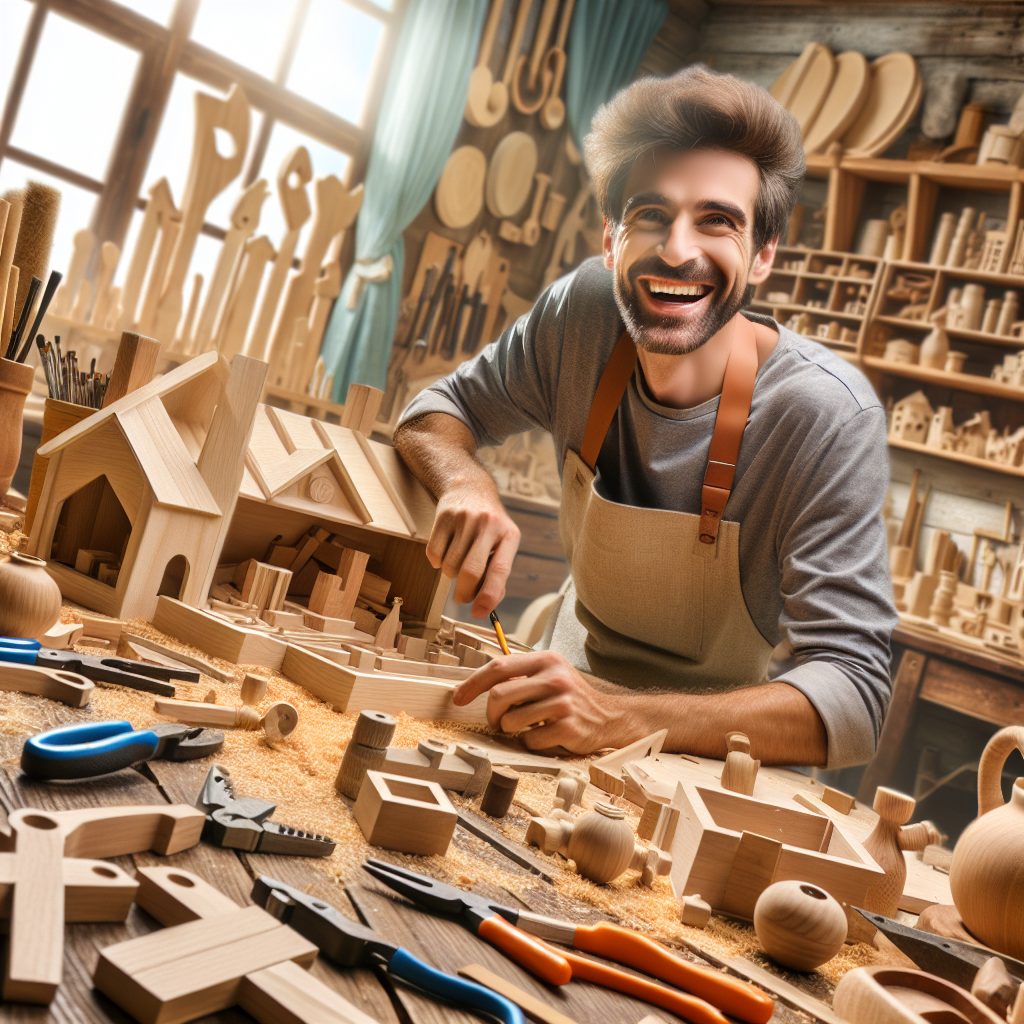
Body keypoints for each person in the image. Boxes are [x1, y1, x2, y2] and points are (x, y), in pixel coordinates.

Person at [394, 66, 896, 768]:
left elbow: (856, 696)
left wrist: (619, 716)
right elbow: (433, 412)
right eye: (651, 215)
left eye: (717, 220)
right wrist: (464, 482)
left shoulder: (828, 417)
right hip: (543, 730)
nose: (678, 249)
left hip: (709, 771)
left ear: (763, 257)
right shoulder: (582, 315)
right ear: (610, 238)